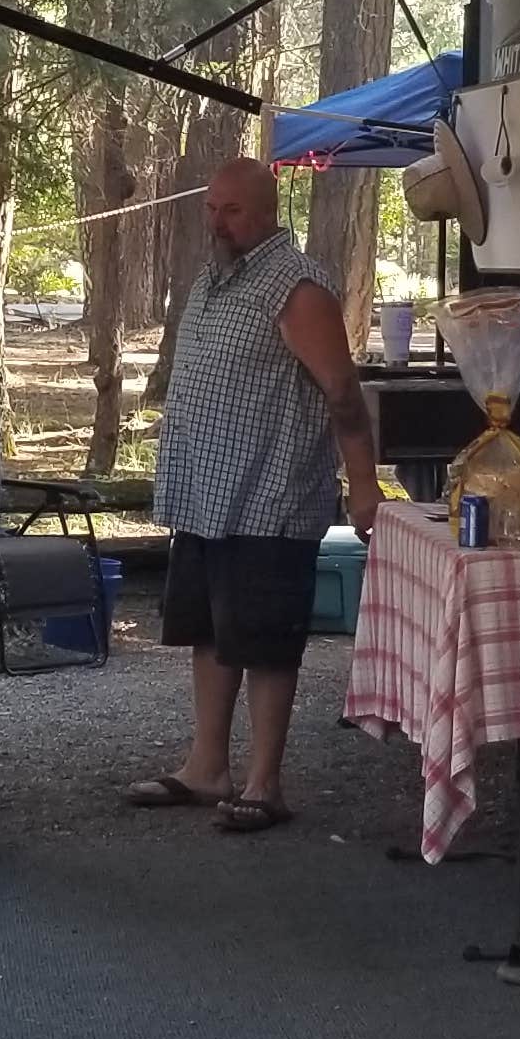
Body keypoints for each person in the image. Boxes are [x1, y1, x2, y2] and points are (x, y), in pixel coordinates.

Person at [124, 158, 378, 834]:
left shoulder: (297, 287)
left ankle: (266, 782)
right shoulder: (214, 279)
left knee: (265, 642)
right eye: (211, 209)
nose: (217, 221)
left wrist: (363, 487)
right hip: (206, 498)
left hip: (269, 497)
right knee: (209, 631)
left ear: (267, 211)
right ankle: (208, 765)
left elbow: (344, 395)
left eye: (231, 210)